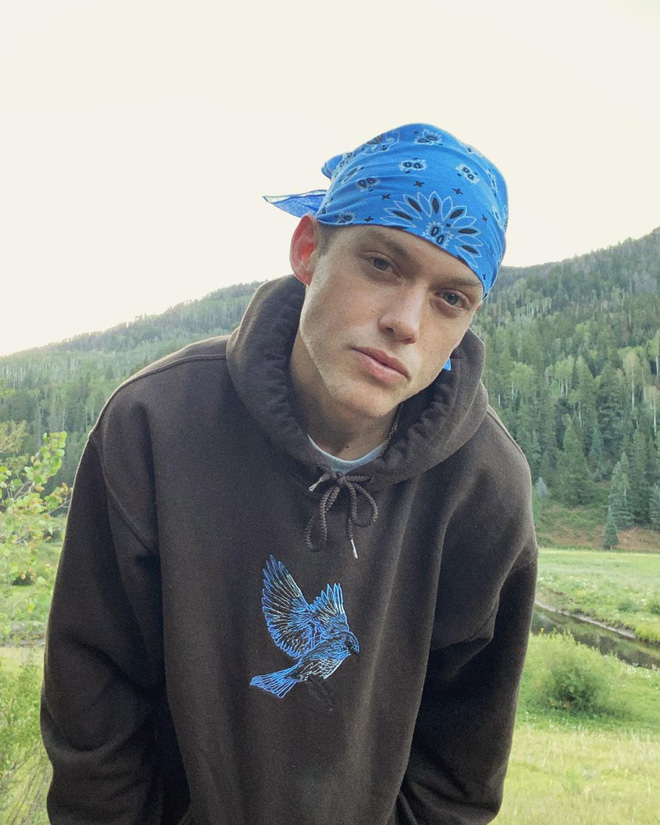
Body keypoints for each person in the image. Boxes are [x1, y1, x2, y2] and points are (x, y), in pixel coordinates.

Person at [41, 123, 537, 825]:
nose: (406, 322)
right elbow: (94, 702)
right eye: (381, 264)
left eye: (450, 298)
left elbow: (462, 760)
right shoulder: (156, 424)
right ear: (308, 249)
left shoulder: (485, 488)